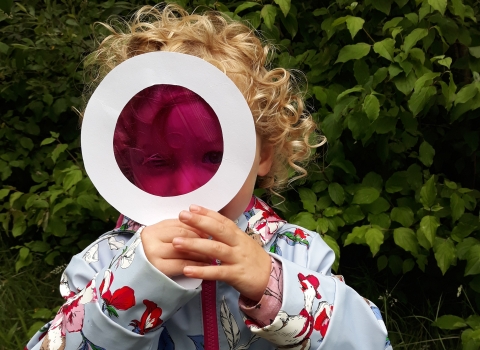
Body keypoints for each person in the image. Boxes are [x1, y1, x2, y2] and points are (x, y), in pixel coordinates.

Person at [26, 4, 392, 350]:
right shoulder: (103, 261)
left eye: (214, 156)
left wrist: (275, 286)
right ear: (126, 167)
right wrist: (131, 286)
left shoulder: (298, 252)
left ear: (263, 154)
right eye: (158, 161)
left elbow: (372, 342)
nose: (190, 187)